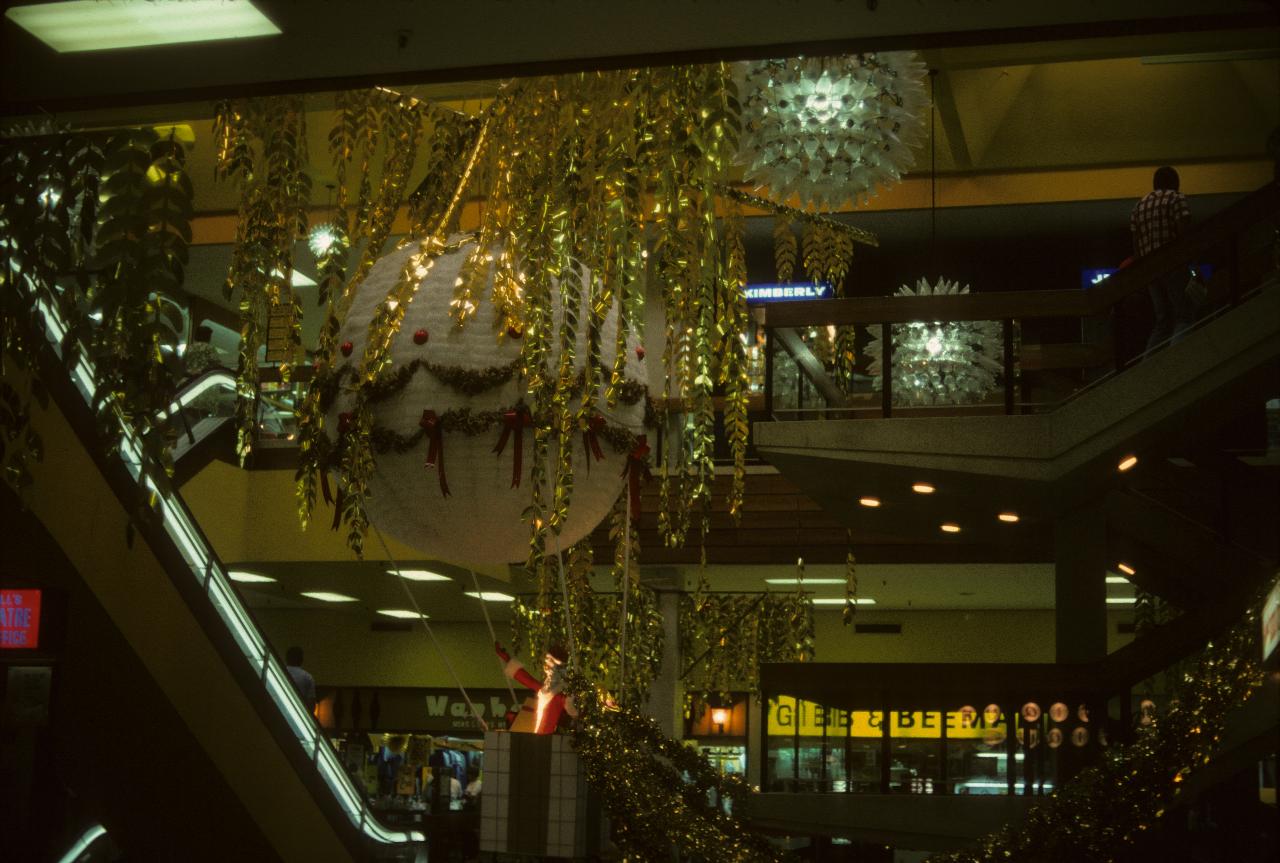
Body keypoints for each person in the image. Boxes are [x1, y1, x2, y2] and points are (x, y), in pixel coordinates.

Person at [1131, 166, 1192, 353]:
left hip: (1150, 269)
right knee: (1184, 316)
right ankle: (1176, 357)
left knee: (1163, 319)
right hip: (1173, 264)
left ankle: (1149, 365)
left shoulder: (1139, 206)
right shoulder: (1176, 198)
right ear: (1175, 182)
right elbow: (1185, 235)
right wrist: (1191, 262)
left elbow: (1136, 245)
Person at [493, 642, 577, 734]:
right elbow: (526, 678)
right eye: (546, 659)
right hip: (536, 737)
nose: (546, 664)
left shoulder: (561, 695)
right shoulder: (545, 690)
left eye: (550, 660)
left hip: (545, 740)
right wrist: (506, 658)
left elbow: (572, 711)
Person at [284, 645, 316, 714]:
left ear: (287, 658)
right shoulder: (307, 677)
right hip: (298, 712)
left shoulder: (280, 672)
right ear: (301, 659)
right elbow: (311, 703)